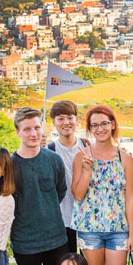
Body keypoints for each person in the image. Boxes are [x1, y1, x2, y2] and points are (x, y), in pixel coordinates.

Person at [71, 105, 133, 265]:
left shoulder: (124, 157)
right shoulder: (81, 156)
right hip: (90, 229)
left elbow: (130, 197)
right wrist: (87, 169)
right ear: (89, 129)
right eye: (94, 125)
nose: (100, 128)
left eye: (104, 123)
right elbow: (77, 194)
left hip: (118, 229)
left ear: (112, 125)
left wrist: (132, 233)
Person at [10, 107, 70, 265]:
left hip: (56, 237)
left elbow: (60, 190)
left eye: (36, 127)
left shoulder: (53, 159)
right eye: (27, 129)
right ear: (18, 132)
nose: (33, 133)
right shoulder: (10, 165)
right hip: (25, 240)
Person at [47, 100, 89, 253]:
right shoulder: (49, 150)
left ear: (76, 120)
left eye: (70, 117)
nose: (66, 122)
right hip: (62, 218)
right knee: (68, 264)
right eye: (60, 118)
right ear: (53, 122)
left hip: (87, 216)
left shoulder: (87, 146)